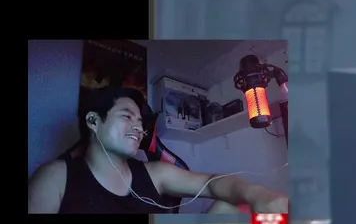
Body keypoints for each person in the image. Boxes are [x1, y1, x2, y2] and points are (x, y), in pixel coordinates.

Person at [28, 85, 289, 215]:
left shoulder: (156, 173)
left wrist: (258, 196)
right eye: (127, 116)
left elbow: (212, 183)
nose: (138, 127)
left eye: (140, 121)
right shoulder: (55, 176)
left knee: (233, 204)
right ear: (94, 121)